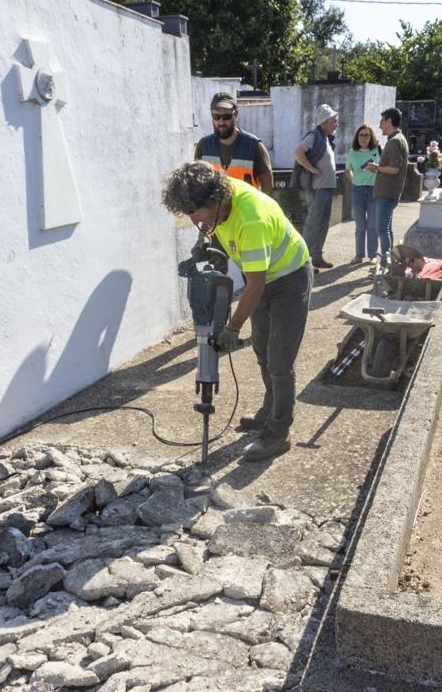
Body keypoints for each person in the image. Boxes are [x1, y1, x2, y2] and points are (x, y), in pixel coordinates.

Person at [162, 161, 312, 462]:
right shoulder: (220, 205)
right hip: (262, 277)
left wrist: (232, 328)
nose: (193, 218)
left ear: (215, 201)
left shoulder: (251, 218)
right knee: (261, 349)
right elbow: (219, 232)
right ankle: (270, 410)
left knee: (280, 360)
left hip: (289, 278)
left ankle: (279, 434)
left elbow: (254, 286)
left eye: (196, 212)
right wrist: (206, 242)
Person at [194, 92, 273, 193]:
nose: (221, 122)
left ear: (236, 115)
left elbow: (268, 188)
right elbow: (197, 185)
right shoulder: (203, 146)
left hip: (245, 208)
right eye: (216, 117)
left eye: (226, 116)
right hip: (216, 208)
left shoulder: (254, 146)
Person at [293, 104, 339, 270]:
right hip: (317, 188)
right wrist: (312, 169)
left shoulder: (325, 137)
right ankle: (302, 262)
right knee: (313, 224)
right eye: (334, 120)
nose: (336, 123)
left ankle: (317, 256)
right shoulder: (314, 136)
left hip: (325, 188)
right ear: (325, 122)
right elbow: (298, 152)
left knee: (323, 223)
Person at [370, 107, 410, 267]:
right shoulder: (396, 139)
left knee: (381, 229)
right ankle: (393, 262)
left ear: (389, 121)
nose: (380, 125)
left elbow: (394, 169)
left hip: (387, 193)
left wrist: (376, 168)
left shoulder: (395, 141)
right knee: (387, 228)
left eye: (382, 121)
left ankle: (387, 264)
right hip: (388, 192)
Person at [344, 123, 380, 264]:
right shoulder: (353, 152)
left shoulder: (377, 150)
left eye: (366, 135)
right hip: (358, 191)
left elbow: (383, 168)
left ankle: (373, 255)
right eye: (361, 135)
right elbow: (347, 169)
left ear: (371, 137)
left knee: (372, 225)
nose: (363, 138)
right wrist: (354, 181)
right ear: (357, 137)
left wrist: (376, 169)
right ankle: (359, 255)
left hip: (373, 190)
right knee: (360, 225)